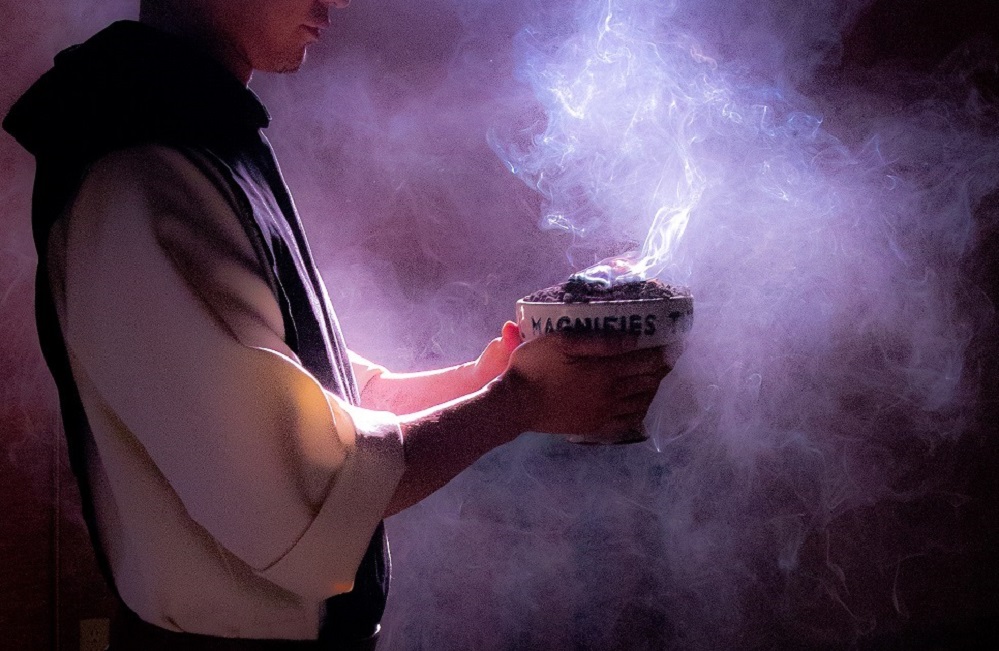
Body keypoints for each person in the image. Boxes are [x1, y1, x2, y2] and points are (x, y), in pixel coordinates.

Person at [4, 0, 673, 647]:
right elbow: (295, 490)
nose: (339, 0)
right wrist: (520, 399)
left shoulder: (198, 140)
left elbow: (315, 398)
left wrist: (486, 378)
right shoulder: (142, 172)